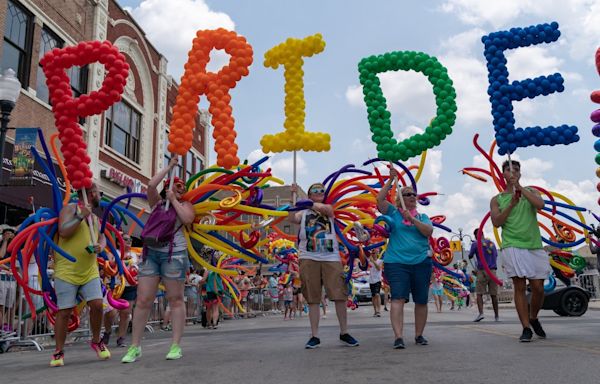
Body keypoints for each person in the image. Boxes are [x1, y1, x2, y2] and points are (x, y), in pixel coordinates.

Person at [122, 156, 195, 363]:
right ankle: (134, 346)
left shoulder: (186, 204)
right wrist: (169, 167)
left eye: (182, 188)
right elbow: (151, 185)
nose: (180, 189)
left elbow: (188, 219)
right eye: (176, 186)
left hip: (174, 254)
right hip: (151, 254)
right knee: (143, 299)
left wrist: (174, 200)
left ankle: (175, 345)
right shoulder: (157, 203)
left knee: (175, 299)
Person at [290, 182, 359, 349]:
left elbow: (328, 211)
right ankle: (314, 335)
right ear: (310, 193)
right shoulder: (303, 213)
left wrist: (308, 201)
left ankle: (344, 332)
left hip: (331, 257)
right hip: (308, 256)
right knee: (312, 298)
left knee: (339, 295)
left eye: (322, 190)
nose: (319, 192)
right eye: (315, 190)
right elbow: (292, 219)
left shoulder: (328, 208)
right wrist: (294, 199)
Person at [490, 159, 550, 342]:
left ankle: (533, 317)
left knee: (539, 288)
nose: (513, 172)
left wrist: (520, 189)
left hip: (534, 244)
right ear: (503, 175)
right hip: (512, 245)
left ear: (520, 174)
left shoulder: (531, 191)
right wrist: (511, 204)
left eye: (516, 169)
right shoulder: (497, 199)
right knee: (520, 286)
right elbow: (496, 222)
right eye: (509, 169)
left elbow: (541, 205)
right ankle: (525, 328)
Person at [52, 183, 109, 367]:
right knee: (65, 311)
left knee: (98, 304)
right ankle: (58, 351)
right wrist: (79, 216)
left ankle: (96, 340)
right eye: (99, 193)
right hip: (67, 270)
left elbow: (101, 236)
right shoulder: (70, 209)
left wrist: (102, 245)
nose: (101, 196)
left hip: (89, 269)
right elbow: (64, 232)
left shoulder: (94, 217)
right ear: (92, 194)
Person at [377, 166, 433, 349]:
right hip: (396, 262)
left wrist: (412, 219)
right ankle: (398, 337)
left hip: (421, 263)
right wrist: (390, 180)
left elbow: (428, 232)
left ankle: (419, 335)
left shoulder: (423, 216)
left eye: (413, 195)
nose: (411, 197)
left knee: (421, 300)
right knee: (398, 299)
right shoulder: (393, 212)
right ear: (400, 198)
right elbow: (379, 200)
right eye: (407, 194)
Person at [102, 234, 139, 347]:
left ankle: (121, 338)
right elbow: (109, 266)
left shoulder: (135, 255)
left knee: (125, 313)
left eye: (131, 240)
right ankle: (107, 331)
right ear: (119, 242)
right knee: (110, 313)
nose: (129, 241)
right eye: (126, 239)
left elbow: (138, 268)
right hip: (115, 287)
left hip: (130, 286)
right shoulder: (113, 253)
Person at [468, 229, 500, 322]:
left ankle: (481, 313)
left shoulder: (475, 244)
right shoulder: (492, 243)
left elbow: (470, 255)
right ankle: (496, 316)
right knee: (494, 295)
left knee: (479, 293)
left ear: (475, 235)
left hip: (482, 271)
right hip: (493, 271)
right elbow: (496, 255)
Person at [367, 251, 383, 317]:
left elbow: (379, 268)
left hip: (377, 280)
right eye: (371, 253)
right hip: (371, 280)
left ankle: (378, 310)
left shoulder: (380, 261)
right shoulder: (368, 261)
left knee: (377, 294)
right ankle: (375, 311)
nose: (372, 254)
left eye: (374, 253)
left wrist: (373, 261)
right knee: (373, 296)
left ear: (377, 253)